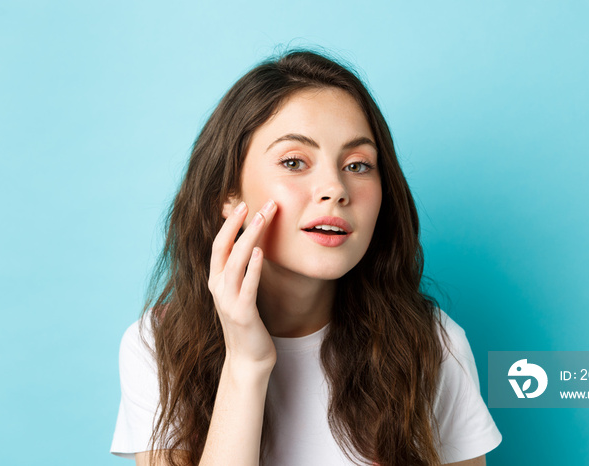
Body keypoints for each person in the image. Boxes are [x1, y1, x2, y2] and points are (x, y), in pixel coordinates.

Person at [110, 49, 502, 466]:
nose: (335, 188)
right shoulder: (158, 345)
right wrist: (246, 363)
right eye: (294, 162)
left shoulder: (433, 345)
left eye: (358, 165)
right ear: (229, 194)